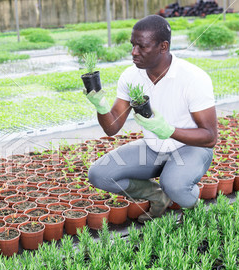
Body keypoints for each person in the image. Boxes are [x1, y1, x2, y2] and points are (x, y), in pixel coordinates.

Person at [86, 15, 217, 223]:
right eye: (132, 45)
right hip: (153, 148)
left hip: (190, 148)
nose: (134, 52)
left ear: (163, 47)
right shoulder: (131, 76)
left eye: (142, 46)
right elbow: (112, 127)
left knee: (174, 183)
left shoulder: (193, 78)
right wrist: (101, 107)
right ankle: (158, 196)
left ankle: (193, 210)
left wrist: (169, 130)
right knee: (99, 174)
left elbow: (210, 137)